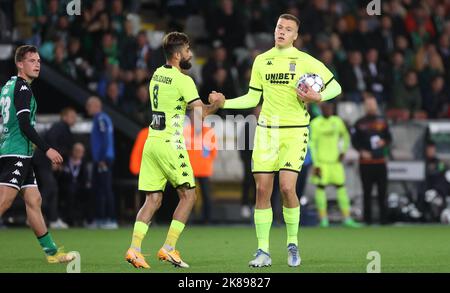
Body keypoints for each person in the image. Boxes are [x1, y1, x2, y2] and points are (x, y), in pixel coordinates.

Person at [212, 14, 342, 267]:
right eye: (279, 27)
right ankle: (263, 251)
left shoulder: (305, 60)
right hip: (266, 131)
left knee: (286, 188)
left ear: (295, 36)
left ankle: (292, 243)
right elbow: (252, 98)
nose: (281, 31)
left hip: (295, 131)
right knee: (262, 190)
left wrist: (319, 96)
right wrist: (224, 103)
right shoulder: (262, 60)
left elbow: (335, 86)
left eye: (288, 29)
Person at [124, 32, 224, 269]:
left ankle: (134, 249)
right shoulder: (184, 80)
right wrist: (217, 104)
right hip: (170, 143)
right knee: (189, 195)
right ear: (178, 55)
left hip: (152, 141)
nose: (191, 54)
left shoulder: (157, 74)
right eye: (188, 51)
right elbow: (199, 115)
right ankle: (169, 248)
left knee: (153, 199)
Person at [0, 45, 75, 263]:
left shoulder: (7, 86)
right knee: (4, 202)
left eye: (39, 61)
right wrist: (47, 149)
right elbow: (24, 124)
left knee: (34, 199)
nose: (37, 64)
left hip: (14, 151)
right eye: (32, 61)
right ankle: (51, 253)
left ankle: (51, 253)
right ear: (19, 64)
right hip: (17, 153)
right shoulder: (22, 88)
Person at [310, 102, 361, 228]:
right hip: (322, 163)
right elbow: (312, 144)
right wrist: (316, 164)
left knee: (341, 188)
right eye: (326, 108)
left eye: (330, 108)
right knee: (321, 188)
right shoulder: (316, 123)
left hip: (335, 162)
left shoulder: (337, 121)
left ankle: (347, 218)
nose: (328, 110)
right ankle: (323, 219)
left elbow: (346, 136)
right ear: (321, 109)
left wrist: (343, 151)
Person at [351, 94, 392, 225]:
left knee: (382, 192)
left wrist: (383, 142)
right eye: (368, 104)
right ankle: (367, 220)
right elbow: (354, 142)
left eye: (373, 104)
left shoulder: (382, 121)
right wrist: (362, 151)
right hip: (366, 163)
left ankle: (384, 220)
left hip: (380, 162)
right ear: (365, 106)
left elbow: (389, 138)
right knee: (366, 192)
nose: (371, 107)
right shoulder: (359, 123)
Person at [33, 107, 77, 229]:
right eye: (72, 116)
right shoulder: (60, 126)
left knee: (53, 188)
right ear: (64, 117)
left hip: (46, 161)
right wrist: (54, 160)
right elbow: (51, 141)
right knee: (50, 187)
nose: (75, 119)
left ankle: (52, 219)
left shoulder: (65, 128)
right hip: (44, 160)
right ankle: (33, 217)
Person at [85, 96, 117, 229]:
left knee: (105, 189)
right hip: (100, 160)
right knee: (98, 189)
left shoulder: (101, 119)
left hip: (103, 160)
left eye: (89, 106)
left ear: (96, 106)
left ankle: (111, 219)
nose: (87, 108)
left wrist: (103, 159)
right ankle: (99, 219)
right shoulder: (100, 119)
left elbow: (106, 139)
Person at [184, 110, 218, 224]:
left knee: (206, 196)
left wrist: (206, 161)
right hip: (189, 169)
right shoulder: (186, 131)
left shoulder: (209, 132)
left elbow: (213, 151)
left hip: (204, 169)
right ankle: (188, 219)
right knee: (188, 196)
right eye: (193, 117)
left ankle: (207, 220)